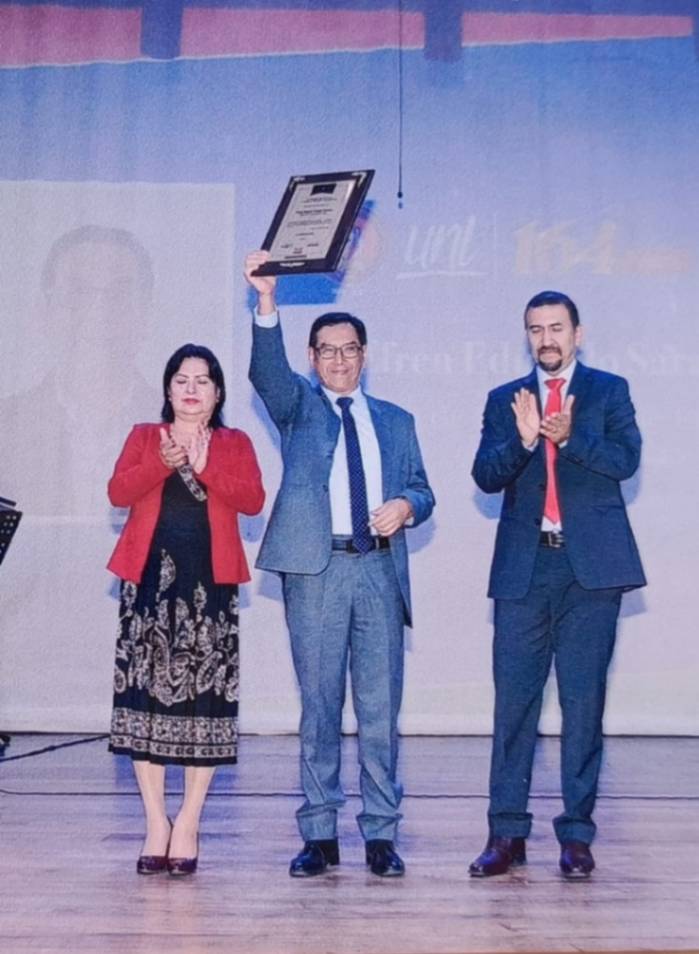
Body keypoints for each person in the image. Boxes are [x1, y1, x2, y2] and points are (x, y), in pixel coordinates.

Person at [244, 250, 435, 878]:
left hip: (378, 570)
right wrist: (266, 302)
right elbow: (267, 377)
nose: (338, 359)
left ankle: (380, 834)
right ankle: (319, 835)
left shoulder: (398, 420)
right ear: (312, 358)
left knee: (380, 712)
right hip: (316, 571)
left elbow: (423, 489)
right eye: (326, 350)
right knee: (320, 707)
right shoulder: (298, 407)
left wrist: (407, 504)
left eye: (349, 348)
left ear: (364, 352)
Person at [469, 291, 646, 880]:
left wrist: (570, 438)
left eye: (556, 328)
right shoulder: (506, 400)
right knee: (513, 707)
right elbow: (485, 476)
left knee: (582, 704)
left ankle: (576, 835)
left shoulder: (608, 391)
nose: (546, 338)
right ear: (527, 336)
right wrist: (524, 440)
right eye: (535, 329)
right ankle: (506, 833)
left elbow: (626, 460)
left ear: (578, 332)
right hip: (525, 571)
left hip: (590, 573)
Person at [107, 343, 265, 876]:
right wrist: (163, 460)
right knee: (142, 705)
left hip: (210, 593)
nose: (192, 388)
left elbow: (253, 500)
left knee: (206, 709)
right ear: (168, 389)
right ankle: (156, 822)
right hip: (149, 590)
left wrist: (204, 466)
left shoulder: (234, 442)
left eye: (203, 380)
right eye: (181, 379)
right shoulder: (143, 437)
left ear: (218, 393)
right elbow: (118, 490)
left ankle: (190, 821)